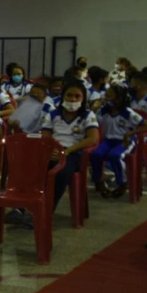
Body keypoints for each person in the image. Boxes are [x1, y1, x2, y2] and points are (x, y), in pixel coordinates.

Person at [39, 81, 100, 209]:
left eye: (77, 96)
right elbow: (45, 135)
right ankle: (23, 208)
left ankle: (47, 210)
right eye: (69, 95)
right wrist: (53, 149)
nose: (73, 99)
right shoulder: (53, 114)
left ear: (83, 99)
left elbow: (93, 138)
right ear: (63, 97)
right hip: (53, 150)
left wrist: (66, 151)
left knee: (59, 172)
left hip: (73, 153)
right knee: (33, 168)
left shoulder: (88, 115)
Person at [91, 85, 147, 199]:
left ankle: (123, 183)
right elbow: (92, 121)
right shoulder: (104, 111)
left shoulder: (128, 112)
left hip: (124, 141)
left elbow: (146, 126)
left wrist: (129, 134)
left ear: (119, 98)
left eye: (109, 96)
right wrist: (94, 109)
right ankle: (98, 182)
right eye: (105, 95)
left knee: (115, 156)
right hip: (109, 140)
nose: (105, 98)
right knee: (96, 154)